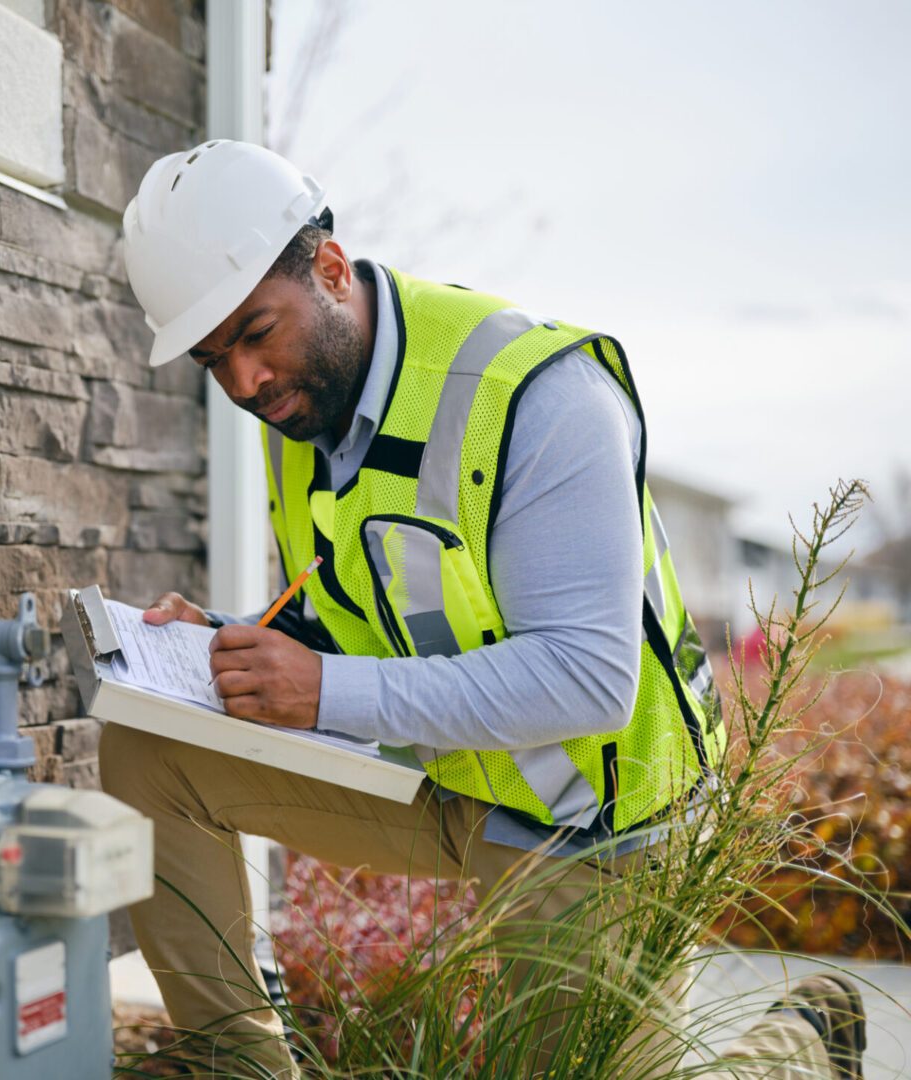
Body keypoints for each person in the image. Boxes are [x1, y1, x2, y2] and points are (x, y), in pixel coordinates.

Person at [99, 140, 866, 1079]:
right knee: (151, 753)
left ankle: (803, 1044)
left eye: (255, 334)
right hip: (448, 773)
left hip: (594, 818)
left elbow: (589, 682)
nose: (245, 384)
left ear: (331, 270)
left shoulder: (540, 397)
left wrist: (324, 690)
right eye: (215, 360)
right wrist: (234, 644)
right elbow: (358, 603)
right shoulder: (304, 405)